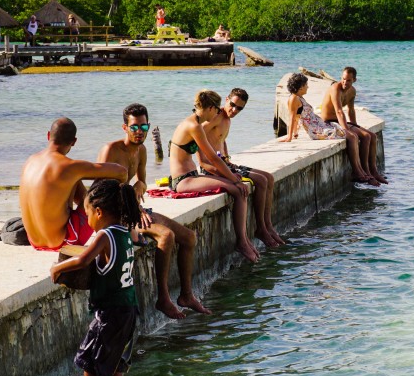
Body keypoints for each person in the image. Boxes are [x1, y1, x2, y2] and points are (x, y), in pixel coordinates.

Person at [97, 103, 210, 319]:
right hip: (116, 216)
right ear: (124, 128)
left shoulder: (142, 150)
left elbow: (141, 180)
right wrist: (135, 208)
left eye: (143, 128)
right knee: (166, 236)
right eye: (134, 128)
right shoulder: (110, 150)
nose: (139, 132)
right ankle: (163, 299)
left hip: (134, 209)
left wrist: (140, 186)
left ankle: (186, 295)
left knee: (188, 237)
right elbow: (101, 193)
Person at [50, 179, 141, 376]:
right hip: (129, 307)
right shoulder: (126, 233)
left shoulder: (104, 236)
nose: (88, 220)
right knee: (116, 355)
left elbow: (82, 260)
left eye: (88, 213)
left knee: (88, 354)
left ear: (99, 212)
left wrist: (57, 268)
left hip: (110, 310)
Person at [170, 90, 259, 262]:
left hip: (191, 177)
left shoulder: (195, 123)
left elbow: (218, 155)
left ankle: (245, 239)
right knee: (237, 189)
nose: (218, 113)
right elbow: (212, 158)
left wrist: (232, 175)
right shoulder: (193, 126)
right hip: (182, 181)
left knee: (238, 186)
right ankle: (241, 241)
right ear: (210, 108)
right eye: (217, 110)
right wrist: (233, 178)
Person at [19, 117, 127, 251]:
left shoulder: (30, 161)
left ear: (48, 135)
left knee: (74, 177)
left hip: (34, 241)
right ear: (74, 141)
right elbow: (121, 172)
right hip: (63, 242)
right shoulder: (69, 166)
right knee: (83, 180)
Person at [200, 88, 285, 247]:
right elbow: (197, 135)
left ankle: (267, 225)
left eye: (239, 108)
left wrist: (226, 156)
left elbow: (220, 139)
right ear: (227, 99)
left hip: (224, 164)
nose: (234, 110)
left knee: (269, 178)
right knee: (260, 180)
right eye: (232, 105)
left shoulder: (227, 118)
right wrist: (204, 162)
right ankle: (260, 228)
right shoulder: (216, 116)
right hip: (213, 168)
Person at [281, 73, 379, 186]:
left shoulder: (299, 98)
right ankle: (357, 172)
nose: (308, 87)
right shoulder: (293, 98)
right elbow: (292, 117)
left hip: (320, 125)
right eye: (306, 84)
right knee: (351, 136)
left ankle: (360, 171)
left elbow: (298, 116)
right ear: (301, 86)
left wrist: (295, 133)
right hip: (316, 130)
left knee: (352, 135)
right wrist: (289, 137)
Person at [321, 67, 387, 184]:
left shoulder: (352, 91)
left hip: (339, 121)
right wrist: (347, 130)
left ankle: (373, 171)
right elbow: (339, 111)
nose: (345, 82)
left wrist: (356, 126)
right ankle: (358, 172)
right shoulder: (335, 88)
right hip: (329, 121)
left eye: (349, 80)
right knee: (353, 137)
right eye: (343, 79)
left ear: (354, 80)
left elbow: (351, 110)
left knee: (370, 136)